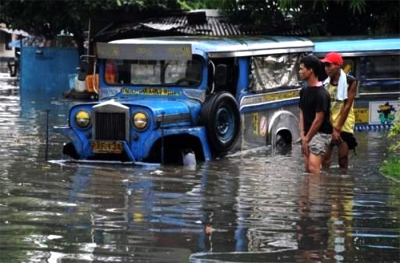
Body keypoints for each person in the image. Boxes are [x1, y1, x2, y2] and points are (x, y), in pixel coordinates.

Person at [320, 52, 358, 171]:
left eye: (329, 65)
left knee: (343, 158)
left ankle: (343, 184)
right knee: (325, 159)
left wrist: (338, 129)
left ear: (338, 65)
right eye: (325, 66)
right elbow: (325, 107)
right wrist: (332, 128)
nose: (327, 68)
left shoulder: (350, 81)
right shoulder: (324, 83)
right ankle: (325, 186)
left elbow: (347, 106)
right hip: (328, 120)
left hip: (344, 121)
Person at [298, 55, 333, 174]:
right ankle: (311, 191)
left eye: (302, 69)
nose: (300, 72)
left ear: (310, 70)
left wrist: (307, 138)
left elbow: (319, 119)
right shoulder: (304, 91)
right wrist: (302, 134)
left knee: (313, 168)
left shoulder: (321, 93)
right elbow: (302, 112)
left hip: (321, 132)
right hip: (307, 133)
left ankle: (316, 192)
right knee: (308, 168)